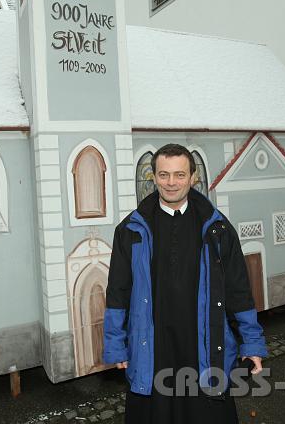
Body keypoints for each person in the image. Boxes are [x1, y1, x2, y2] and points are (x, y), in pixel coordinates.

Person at [103, 143, 268, 424]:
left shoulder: (218, 230)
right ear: (153, 177)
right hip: (153, 346)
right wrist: (116, 344)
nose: (171, 183)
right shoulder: (130, 230)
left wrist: (252, 343)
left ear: (193, 177)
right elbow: (118, 291)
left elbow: (238, 291)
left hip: (204, 345)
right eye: (163, 174)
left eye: (179, 175)